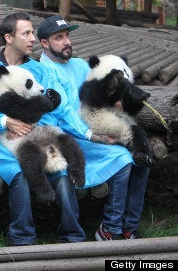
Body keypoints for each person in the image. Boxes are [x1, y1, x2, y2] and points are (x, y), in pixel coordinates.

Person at [0, 12, 87, 245]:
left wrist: (38, 125)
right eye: (26, 33)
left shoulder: (41, 70)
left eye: (32, 33)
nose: (32, 38)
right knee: (19, 175)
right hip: (1, 138)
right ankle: (21, 238)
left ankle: (73, 237)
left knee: (63, 176)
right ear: (9, 37)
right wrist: (6, 122)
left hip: (38, 131)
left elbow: (55, 108)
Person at [37, 15, 146, 240]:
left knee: (142, 158)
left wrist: (117, 101)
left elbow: (98, 94)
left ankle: (129, 227)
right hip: (69, 137)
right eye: (59, 37)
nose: (67, 41)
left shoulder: (79, 65)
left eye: (67, 36)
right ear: (44, 44)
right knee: (122, 159)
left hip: (94, 128)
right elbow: (64, 113)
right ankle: (110, 228)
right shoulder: (44, 72)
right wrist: (94, 135)